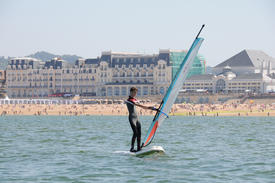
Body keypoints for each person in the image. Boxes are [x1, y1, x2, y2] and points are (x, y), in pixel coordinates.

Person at [126, 87, 157, 152]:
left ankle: (138, 148)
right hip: (132, 118)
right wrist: (150, 108)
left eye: (136, 93)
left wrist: (152, 107)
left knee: (139, 133)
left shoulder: (134, 99)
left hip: (137, 118)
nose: (135, 94)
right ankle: (132, 148)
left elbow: (139, 103)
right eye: (134, 92)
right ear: (131, 92)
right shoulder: (129, 100)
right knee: (135, 133)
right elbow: (140, 106)